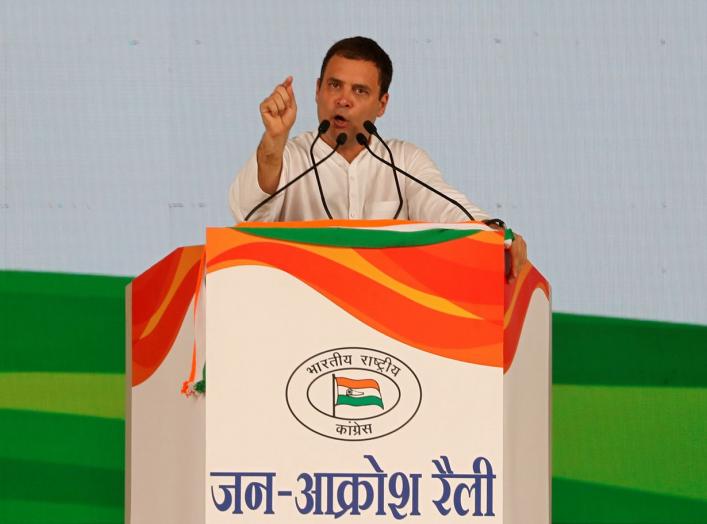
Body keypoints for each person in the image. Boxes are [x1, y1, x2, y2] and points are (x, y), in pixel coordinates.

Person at [229, 36, 527, 280]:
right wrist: (274, 140)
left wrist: (490, 230)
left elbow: (443, 205)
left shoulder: (404, 161)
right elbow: (248, 216)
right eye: (334, 85)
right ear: (317, 90)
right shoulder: (290, 155)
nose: (343, 99)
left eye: (359, 91)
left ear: (382, 104)